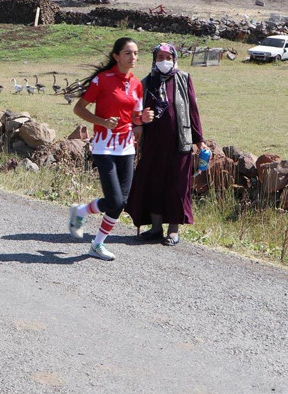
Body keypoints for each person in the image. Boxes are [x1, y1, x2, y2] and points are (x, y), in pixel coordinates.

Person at [68, 37, 154, 260]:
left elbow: (135, 117)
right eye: (127, 53)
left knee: (121, 202)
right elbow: (79, 109)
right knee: (115, 200)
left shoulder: (136, 84)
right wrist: (102, 121)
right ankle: (80, 212)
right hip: (104, 146)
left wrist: (142, 119)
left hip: (126, 147)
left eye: (135, 53)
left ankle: (96, 244)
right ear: (116, 56)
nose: (133, 57)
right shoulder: (102, 80)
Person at [126, 43, 206, 246]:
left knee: (177, 187)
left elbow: (193, 110)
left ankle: (173, 231)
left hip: (180, 143)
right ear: (154, 59)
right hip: (153, 144)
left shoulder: (184, 78)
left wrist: (199, 140)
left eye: (168, 57)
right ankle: (155, 229)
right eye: (160, 57)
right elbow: (135, 114)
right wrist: (141, 121)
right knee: (154, 185)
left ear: (174, 58)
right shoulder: (146, 82)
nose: (164, 61)